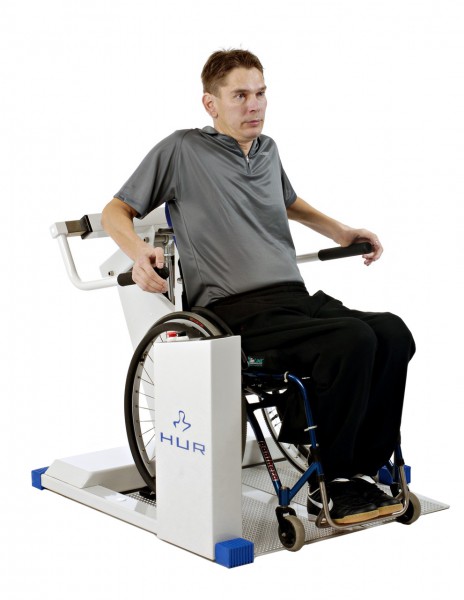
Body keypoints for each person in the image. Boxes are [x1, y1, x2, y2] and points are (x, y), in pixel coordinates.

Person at [101, 49, 415, 525]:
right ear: (210, 103)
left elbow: (288, 201)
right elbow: (116, 210)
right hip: (235, 311)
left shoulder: (267, 150)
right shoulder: (182, 150)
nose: (254, 105)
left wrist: (340, 231)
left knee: (392, 332)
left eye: (261, 93)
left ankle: (362, 469)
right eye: (240, 95)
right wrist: (138, 252)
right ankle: (332, 482)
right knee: (350, 341)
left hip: (294, 300)